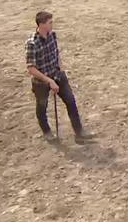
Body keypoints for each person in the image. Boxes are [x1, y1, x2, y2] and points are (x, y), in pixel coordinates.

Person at [25, 11, 95, 143]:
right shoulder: (32, 43)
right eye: (50, 22)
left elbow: (56, 54)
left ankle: (79, 132)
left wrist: (61, 69)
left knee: (71, 101)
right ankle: (47, 132)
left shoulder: (53, 35)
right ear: (41, 25)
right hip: (41, 82)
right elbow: (31, 68)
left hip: (57, 75)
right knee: (42, 107)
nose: (52, 25)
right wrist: (49, 81)